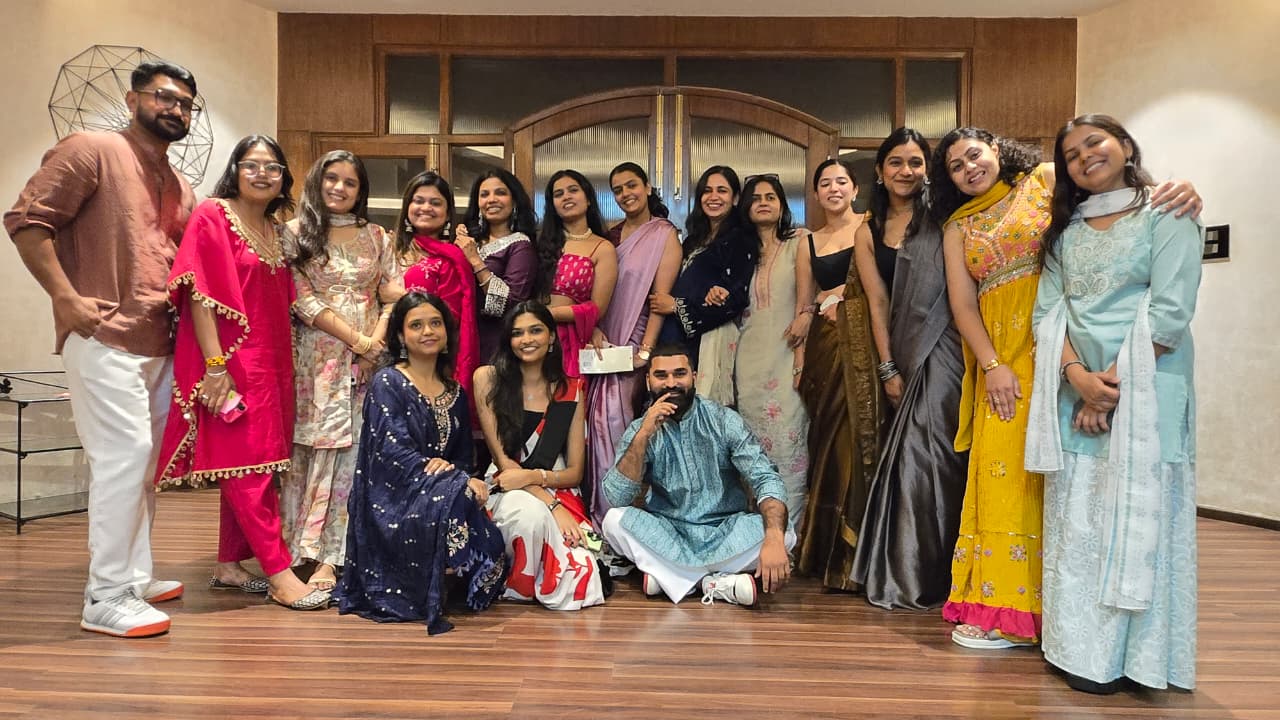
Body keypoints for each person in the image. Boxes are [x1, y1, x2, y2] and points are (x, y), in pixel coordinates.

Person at [931, 126, 1200, 649]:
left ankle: (1065, 609)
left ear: (995, 149)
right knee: (1005, 478)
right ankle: (1005, 608)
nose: (969, 169)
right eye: (955, 168)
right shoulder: (957, 228)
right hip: (1005, 362)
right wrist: (992, 366)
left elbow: (1116, 196)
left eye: (973, 155)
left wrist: (1178, 189)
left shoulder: (1045, 180)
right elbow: (963, 306)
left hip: (1069, 349)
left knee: (1070, 483)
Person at [5, 59, 198, 637]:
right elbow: (26, 220)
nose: (175, 109)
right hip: (103, 333)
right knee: (124, 458)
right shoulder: (90, 148)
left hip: (159, 341)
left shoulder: (181, 182)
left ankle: (134, 575)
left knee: (143, 467)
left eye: (186, 104)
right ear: (133, 97)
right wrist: (64, 298)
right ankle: (105, 595)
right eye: (164, 97)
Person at [1027, 115, 1200, 693]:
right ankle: (1078, 650)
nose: (1084, 157)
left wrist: (1110, 388)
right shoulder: (1065, 234)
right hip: (1073, 394)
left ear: (1125, 147)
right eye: (1071, 154)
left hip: (1147, 389)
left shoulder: (1168, 214)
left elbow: (1171, 310)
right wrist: (1078, 379)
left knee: (1138, 511)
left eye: (1094, 143)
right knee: (1080, 519)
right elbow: (1047, 315)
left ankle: (1138, 661)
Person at [155, 135, 327, 611]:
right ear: (235, 170)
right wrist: (214, 368)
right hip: (229, 365)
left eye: (273, 167)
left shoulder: (276, 229)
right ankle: (280, 574)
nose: (262, 174)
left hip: (273, 366)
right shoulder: (214, 215)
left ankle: (229, 565)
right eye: (252, 165)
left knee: (256, 466)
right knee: (246, 467)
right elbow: (197, 292)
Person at [336, 292, 507, 634]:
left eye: (435, 323)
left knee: (482, 522)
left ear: (446, 333)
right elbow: (391, 452)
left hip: (437, 487)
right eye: (416, 325)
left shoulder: (454, 391)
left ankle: (448, 576)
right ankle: (431, 579)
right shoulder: (389, 382)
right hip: (393, 494)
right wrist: (453, 479)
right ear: (400, 335)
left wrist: (460, 475)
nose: (428, 331)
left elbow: (460, 457)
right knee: (460, 497)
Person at [850, 128, 968, 611]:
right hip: (902, 346)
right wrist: (886, 366)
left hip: (947, 342)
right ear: (879, 171)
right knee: (908, 458)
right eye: (895, 162)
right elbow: (878, 302)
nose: (906, 171)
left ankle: (940, 572)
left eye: (916, 162)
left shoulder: (946, 214)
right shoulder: (868, 229)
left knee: (936, 453)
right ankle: (913, 569)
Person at [280, 150, 400, 593]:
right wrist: (356, 338)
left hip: (369, 360)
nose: (339, 188)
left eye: (350, 182)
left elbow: (393, 294)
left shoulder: (377, 236)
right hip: (315, 358)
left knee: (353, 457)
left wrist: (375, 343)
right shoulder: (294, 233)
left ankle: (335, 556)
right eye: (332, 178)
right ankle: (297, 552)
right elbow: (302, 298)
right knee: (309, 453)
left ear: (360, 191)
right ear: (317, 180)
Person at [600, 344, 792, 607]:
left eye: (680, 374)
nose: (671, 383)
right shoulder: (640, 428)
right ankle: (716, 584)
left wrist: (773, 538)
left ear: (694, 376)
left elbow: (765, 478)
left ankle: (672, 579)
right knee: (613, 521)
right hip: (669, 533)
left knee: (785, 532)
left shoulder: (724, 420)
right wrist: (643, 435)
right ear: (648, 381)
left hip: (726, 530)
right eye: (661, 376)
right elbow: (617, 497)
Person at [473, 301, 606, 610]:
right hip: (504, 485)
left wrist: (550, 493)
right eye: (517, 333)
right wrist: (550, 504)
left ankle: (533, 577)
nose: (527, 339)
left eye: (535, 330)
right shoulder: (488, 379)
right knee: (530, 518)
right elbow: (505, 464)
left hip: (555, 483)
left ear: (551, 338)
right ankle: (520, 584)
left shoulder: (571, 389)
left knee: (590, 552)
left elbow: (575, 471)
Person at [794, 159, 883, 592]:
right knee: (825, 441)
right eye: (825, 183)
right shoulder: (808, 241)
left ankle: (858, 556)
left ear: (855, 189)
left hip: (864, 348)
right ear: (815, 195)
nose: (833, 189)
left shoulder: (872, 226)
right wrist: (798, 365)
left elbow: (885, 284)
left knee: (859, 441)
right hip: (824, 353)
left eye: (841, 181)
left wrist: (846, 298)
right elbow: (804, 306)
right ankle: (825, 551)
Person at [584, 162, 681, 522]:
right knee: (595, 425)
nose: (626, 194)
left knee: (618, 421)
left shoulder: (664, 234)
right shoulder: (610, 237)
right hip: (604, 342)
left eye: (632, 186)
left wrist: (646, 351)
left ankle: (623, 517)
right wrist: (594, 328)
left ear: (648, 187)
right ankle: (604, 518)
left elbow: (660, 300)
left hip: (637, 342)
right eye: (618, 190)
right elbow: (599, 294)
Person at [733, 174, 810, 531]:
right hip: (747, 362)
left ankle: (788, 537)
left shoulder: (801, 242)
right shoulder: (739, 252)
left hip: (788, 357)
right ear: (745, 208)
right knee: (751, 450)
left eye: (771, 197)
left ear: (782, 205)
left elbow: (815, 295)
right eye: (755, 198)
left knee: (789, 445)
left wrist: (807, 319)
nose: (763, 202)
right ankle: (756, 537)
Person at [650, 165, 755, 406]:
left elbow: (736, 299)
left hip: (707, 342)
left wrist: (677, 306)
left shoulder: (740, 240)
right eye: (707, 191)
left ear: (736, 198)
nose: (714, 197)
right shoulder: (691, 240)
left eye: (722, 191)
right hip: (674, 338)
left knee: (702, 411)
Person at [393, 171, 480, 400]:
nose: (426, 208)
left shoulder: (451, 259)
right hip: (377, 352)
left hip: (428, 359)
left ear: (447, 213)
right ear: (407, 206)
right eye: (418, 201)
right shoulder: (386, 246)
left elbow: (450, 315)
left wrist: (400, 296)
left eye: (435, 203)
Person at [534, 169, 618, 379]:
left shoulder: (603, 248)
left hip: (571, 339)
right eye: (558, 194)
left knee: (565, 405)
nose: (566, 197)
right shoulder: (539, 243)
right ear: (552, 204)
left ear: (588, 198)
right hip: (533, 335)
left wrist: (548, 315)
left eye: (573, 190)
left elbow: (596, 309)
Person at [454, 169, 539, 364]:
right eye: (484, 195)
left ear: (514, 201)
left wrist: (475, 260)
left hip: (495, 347)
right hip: (460, 340)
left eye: (500, 193)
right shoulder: (468, 240)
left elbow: (512, 304)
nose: (491, 199)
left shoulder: (520, 245)